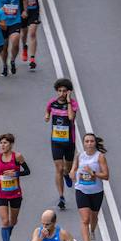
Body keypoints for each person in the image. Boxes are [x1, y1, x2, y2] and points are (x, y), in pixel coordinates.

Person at [70, 132, 108, 241]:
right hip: (81, 190)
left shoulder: (100, 157)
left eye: (91, 141)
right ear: (84, 143)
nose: (89, 143)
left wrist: (93, 173)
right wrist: (72, 173)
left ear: (95, 143)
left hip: (96, 192)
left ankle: (92, 231)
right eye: (87, 141)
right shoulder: (79, 156)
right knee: (85, 219)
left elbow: (106, 176)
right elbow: (74, 169)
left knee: (94, 217)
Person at [45, 78, 78, 210]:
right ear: (56, 91)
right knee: (58, 168)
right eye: (59, 91)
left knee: (67, 169)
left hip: (69, 141)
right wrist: (47, 116)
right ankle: (61, 197)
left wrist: (69, 101)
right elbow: (47, 111)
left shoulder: (73, 103)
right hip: (56, 141)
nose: (62, 93)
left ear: (68, 92)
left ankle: (66, 174)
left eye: (64, 91)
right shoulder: (52, 103)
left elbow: (71, 117)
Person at [15, 0, 43, 69]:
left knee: (32, 33)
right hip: (22, 11)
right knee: (24, 33)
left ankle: (32, 58)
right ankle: (24, 46)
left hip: (34, 10)